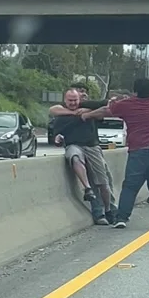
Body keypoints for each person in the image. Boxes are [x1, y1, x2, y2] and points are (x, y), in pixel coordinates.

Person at [81, 77, 149, 230]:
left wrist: (87, 115)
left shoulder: (127, 104)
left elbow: (107, 110)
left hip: (138, 151)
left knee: (130, 186)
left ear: (135, 91)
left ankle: (121, 218)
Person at [49, 84, 117, 225]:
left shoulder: (88, 106)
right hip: (74, 145)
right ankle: (96, 207)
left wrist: (88, 113)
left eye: (76, 99)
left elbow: (106, 107)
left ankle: (110, 210)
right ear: (65, 99)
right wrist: (59, 137)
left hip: (92, 147)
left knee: (103, 183)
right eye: (70, 100)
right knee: (74, 156)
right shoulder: (60, 113)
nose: (73, 103)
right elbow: (55, 125)